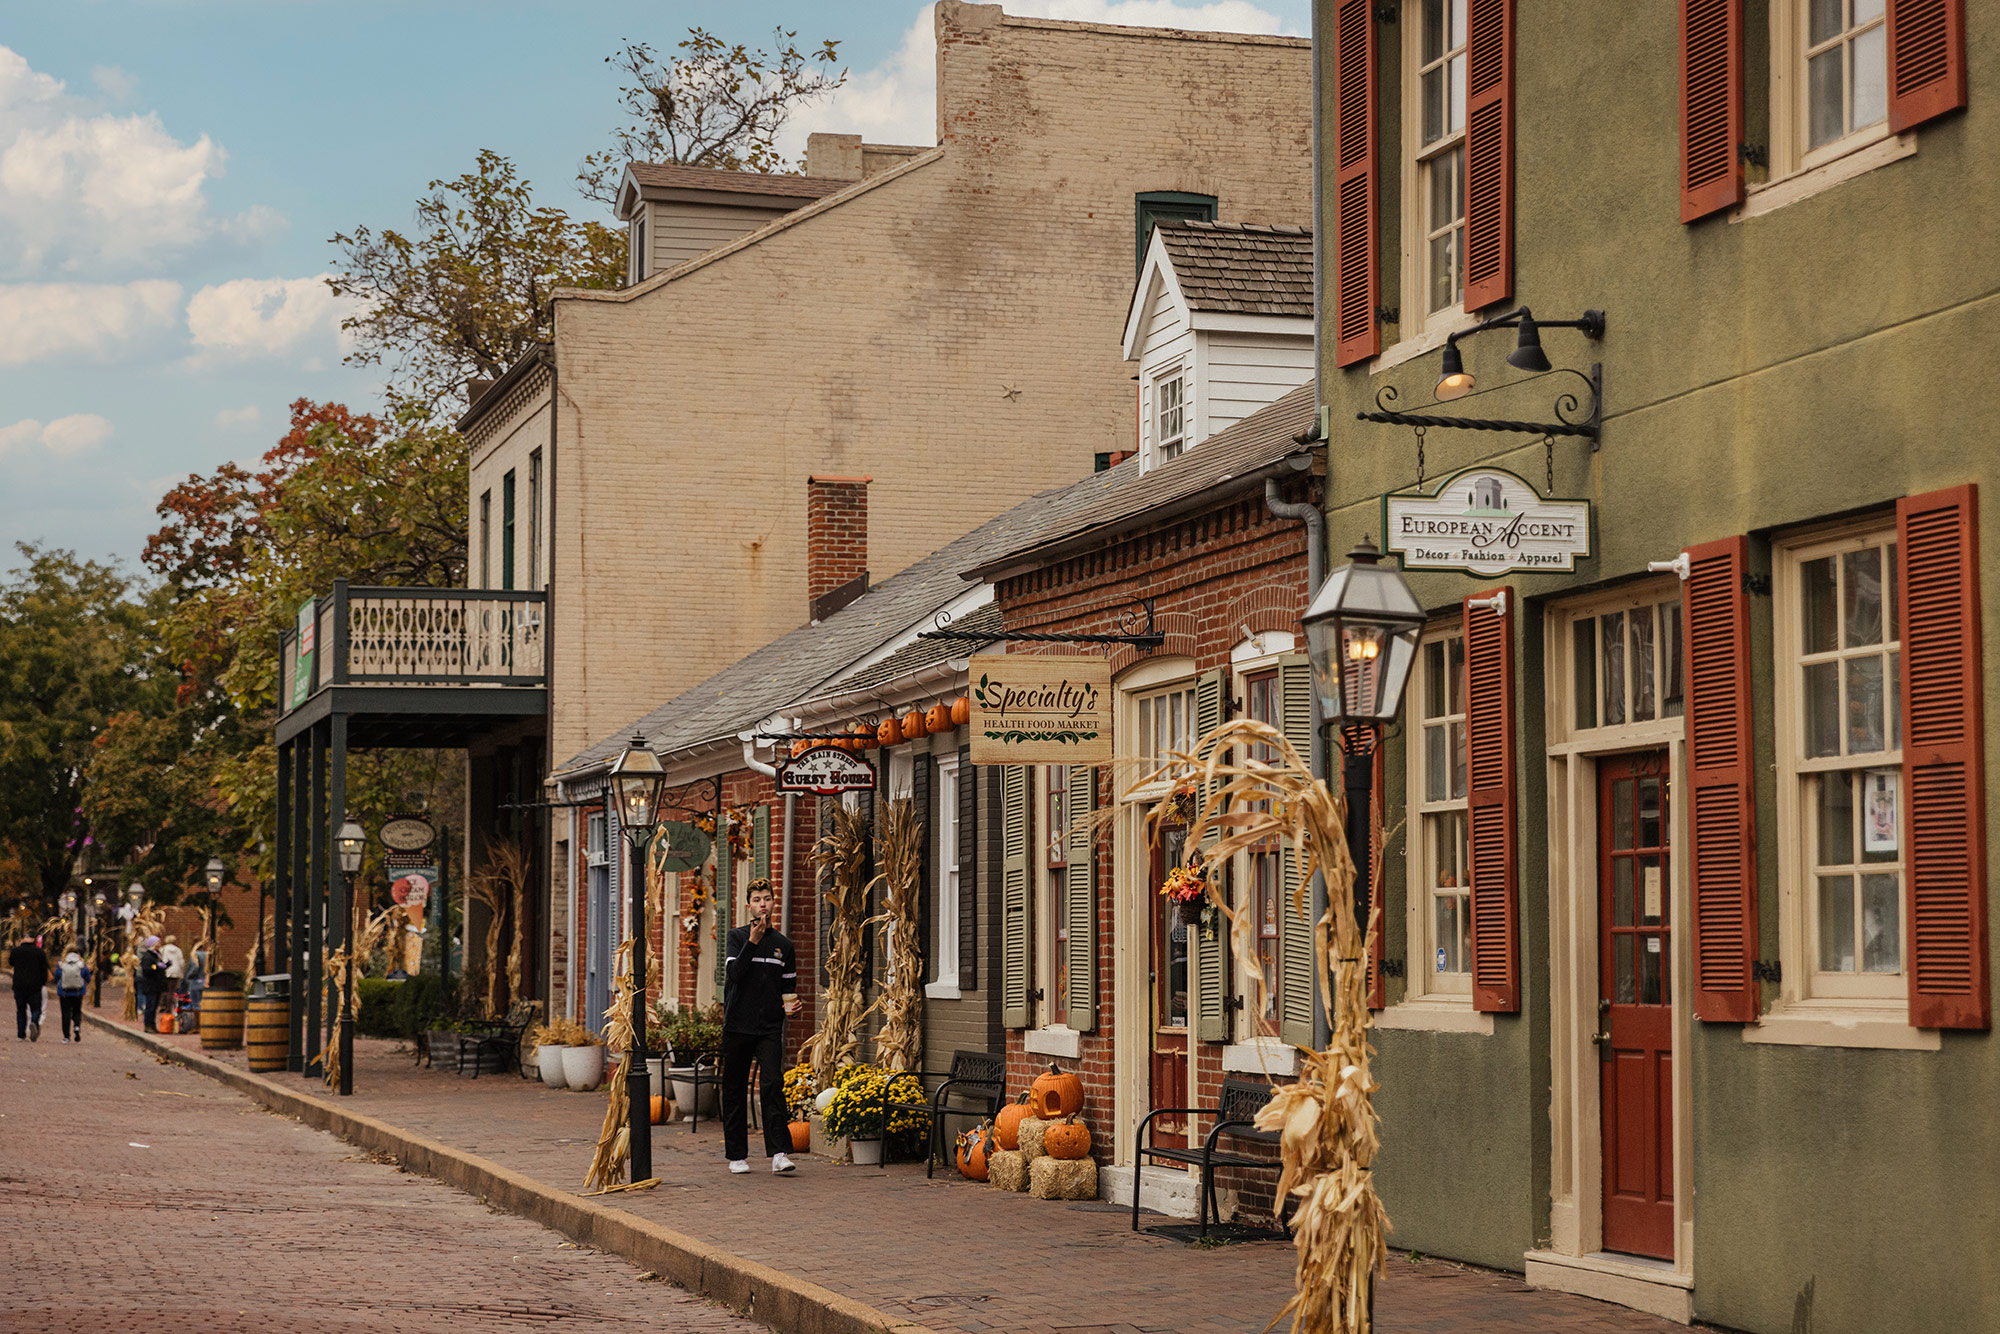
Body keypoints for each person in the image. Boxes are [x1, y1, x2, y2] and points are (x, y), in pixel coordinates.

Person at [720, 878, 800, 1176]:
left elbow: (788, 987)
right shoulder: (736, 938)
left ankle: (779, 1153)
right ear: (748, 905)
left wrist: (792, 1006)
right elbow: (735, 976)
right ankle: (737, 1155)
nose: (762, 904)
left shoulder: (784, 945)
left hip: (768, 1027)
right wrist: (752, 942)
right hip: (738, 1025)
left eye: (767, 898)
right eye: (756, 899)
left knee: (772, 1085)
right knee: (735, 1089)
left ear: (773, 903)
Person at [9, 935, 48, 1041]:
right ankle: (34, 1023)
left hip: (19, 985)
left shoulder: (16, 951)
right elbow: (44, 968)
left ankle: (21, 1034)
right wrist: (43, 982)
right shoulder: (39, 952)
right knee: (36, 1009)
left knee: (21, 1010)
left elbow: (11, 962)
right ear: (33, 940)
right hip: (35, 985)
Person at [54, 949, 89, 1043]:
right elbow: (87, 977)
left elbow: (56, 977)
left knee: (65, 1014)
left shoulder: (61, 964)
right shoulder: (82, 964)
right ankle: (77, 1026)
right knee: (77, 1011)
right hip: (78, 993)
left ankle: (66, 1036)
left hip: (64, 993)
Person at [138, 935, 168, 1033]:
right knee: (150, 1006)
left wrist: (166, 965)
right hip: (150, 985)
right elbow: (147, 969)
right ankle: (148, 1025)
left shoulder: (157, 955)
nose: (159, 945)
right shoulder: (148, 956)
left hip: (157, 984)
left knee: (154, 1006)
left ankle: (153, 1024)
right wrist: (156, 967)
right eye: (157, 943)